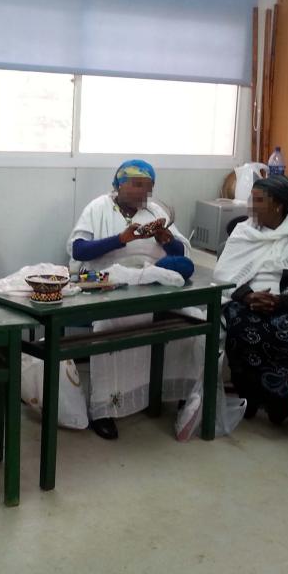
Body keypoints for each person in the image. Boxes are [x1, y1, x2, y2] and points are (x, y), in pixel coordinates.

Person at [67, 159, 196, 440]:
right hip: (110, 283)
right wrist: (120, 239)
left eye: (148, 186)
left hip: (153, 283)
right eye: (137, 184)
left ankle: (174, 392)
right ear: (119, 184)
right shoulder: (98, 207)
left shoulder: (155, 212)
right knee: (110, 327)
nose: (143, 192)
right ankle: (104, 409)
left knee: (194, 321)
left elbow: (181, 254)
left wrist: (166, 240)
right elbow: (79, 250)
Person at [214, 175, 288, 425]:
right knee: (239, 326)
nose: (250, 206)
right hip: (245, 301)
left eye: (257, 200)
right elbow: (223, 273)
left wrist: (279, 301)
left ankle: (283, 404)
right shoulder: (244, 231)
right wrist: (247, 295)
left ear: (277, 205)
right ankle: (249, 396)